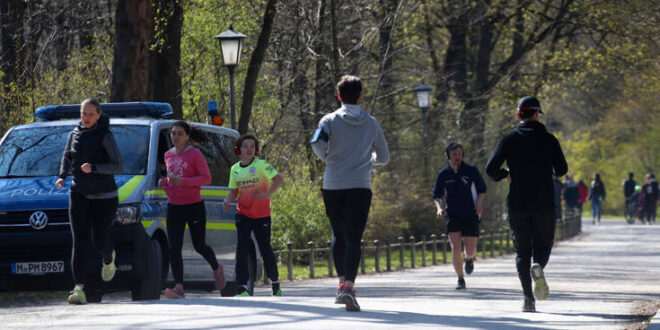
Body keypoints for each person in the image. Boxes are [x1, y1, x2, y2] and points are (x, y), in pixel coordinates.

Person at [311, 75, 389, 312]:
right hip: (359, 185)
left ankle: (342, 281)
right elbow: (384, 157)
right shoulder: (371, 123)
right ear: (360, 95)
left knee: (338, 233)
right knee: (354, 236)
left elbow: (316, 143)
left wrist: (329, 158)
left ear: (338, 95)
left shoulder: (329, 120)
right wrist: (369, 161)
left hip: (333, 183)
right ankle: (349, 287)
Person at [486, 96, 568, 312]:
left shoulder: (509, 139)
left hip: (517, 203)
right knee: (543, 245)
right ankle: (538, 265)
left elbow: (491, 169)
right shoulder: (549, 140)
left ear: (518, 115)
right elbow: (562, 170)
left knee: (522, 252)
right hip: (543, 203)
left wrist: (506, 173)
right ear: (537, 114)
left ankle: (527, 299)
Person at [56, 98, 123, 305]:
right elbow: (68, 156)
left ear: (99, 115)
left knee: (99, 239)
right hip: (79, 192)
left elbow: (118, 166)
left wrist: (94, 168)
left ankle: (108, 257)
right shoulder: (74, 134)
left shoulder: (105, 135)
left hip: (104, 196)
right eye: (83, 113)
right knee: (79, 240)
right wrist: (62, 175)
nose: (85, 118)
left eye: (90, 114)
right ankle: (79, 287)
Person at [160, 121, 225, 299]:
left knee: (199, 245)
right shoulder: (167, 155)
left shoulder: (195, 154)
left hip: (194, 206)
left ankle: (216, 267)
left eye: (180, 133)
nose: (176, 137)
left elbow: (206, 178)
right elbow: (171, 182)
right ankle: (179, 286)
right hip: (174, 206)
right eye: (173, 133)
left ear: (187, 136)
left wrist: (184, 182)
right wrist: (165, 184)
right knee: (174, 247)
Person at [223, 134, 284, 297]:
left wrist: (267, 194)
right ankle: (242, 286)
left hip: (262, 215)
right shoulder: (234, 169)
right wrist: (228, 201)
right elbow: (233, 190)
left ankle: (275, 283)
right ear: (239, 149)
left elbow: (279, 179)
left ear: (255, 149)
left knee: (265, 248)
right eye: (245, 146)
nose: (249, 149)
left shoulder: (262, 165)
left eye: (252, 146)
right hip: (242, 214)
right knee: (241, 248)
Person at [432, 143, 486, 290]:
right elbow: (437, 196)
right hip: (452, 214)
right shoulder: (443, 175)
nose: (457, 157)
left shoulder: (471, 171)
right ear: (448, 156)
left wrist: (479, 206)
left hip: (470, 213)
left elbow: (482, 190)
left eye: (460, 154)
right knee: (455, 247)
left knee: (470, 249)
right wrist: (439, 208)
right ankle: (460, 279)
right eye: (454, 154)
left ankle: (469, 260)